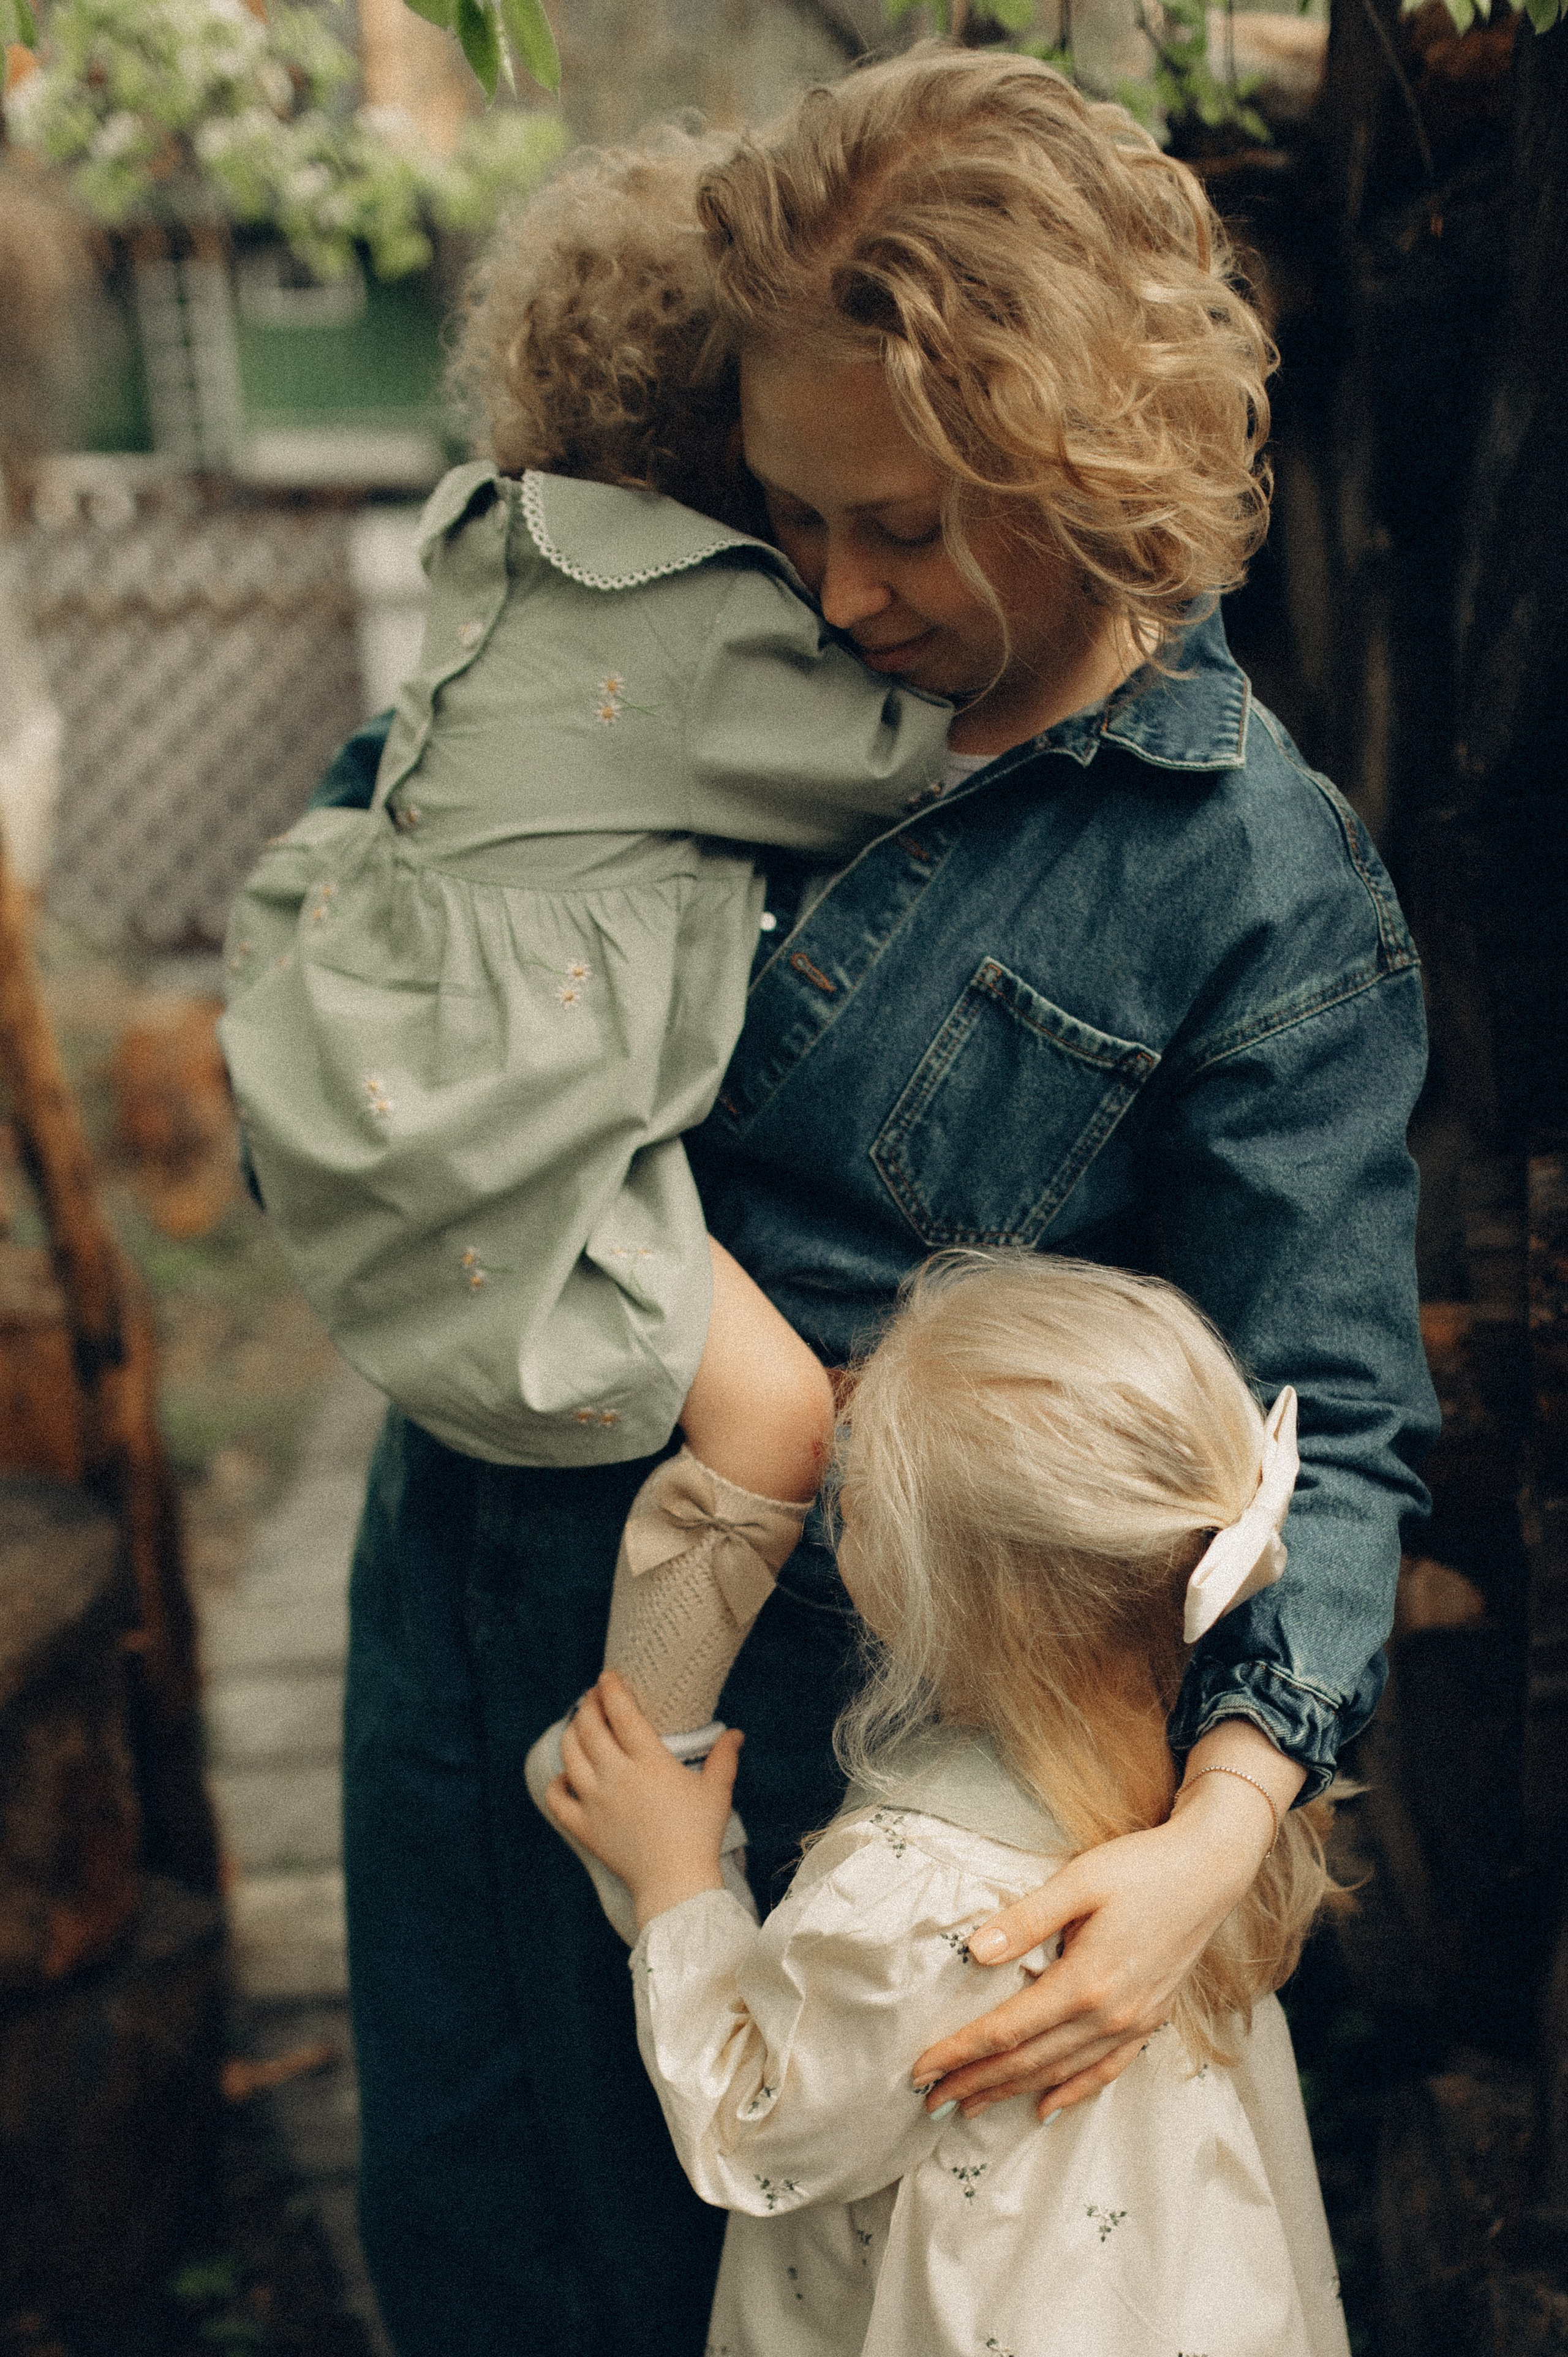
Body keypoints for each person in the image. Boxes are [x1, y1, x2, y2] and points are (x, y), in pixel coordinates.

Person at [327, 48, 1438, 2356]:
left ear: (1089, 456)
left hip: (845, 1760)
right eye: (788, 510)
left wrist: (1216, 1836)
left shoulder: (1248, 887)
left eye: (910, 526)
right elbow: (385, 905)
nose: (835, 589)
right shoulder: (676, 615)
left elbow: (1323, 1418)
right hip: (467, 1577)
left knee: (752, 2281)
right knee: (472, 2241)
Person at [218, 137, 953, 1934]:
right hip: (523, 1116)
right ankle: (637, 1755)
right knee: (774, 1417)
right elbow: (901, 766)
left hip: (374, 1032)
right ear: (754, 442)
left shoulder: (485, 534)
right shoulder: (707, 628)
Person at [549, 1250, 1351, 2357]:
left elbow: (758, 2129)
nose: (839, 1522)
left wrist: (678, 1880)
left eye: (863, 1504)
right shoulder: (1206, 1783)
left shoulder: (923, 1899)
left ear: (949, 1600)